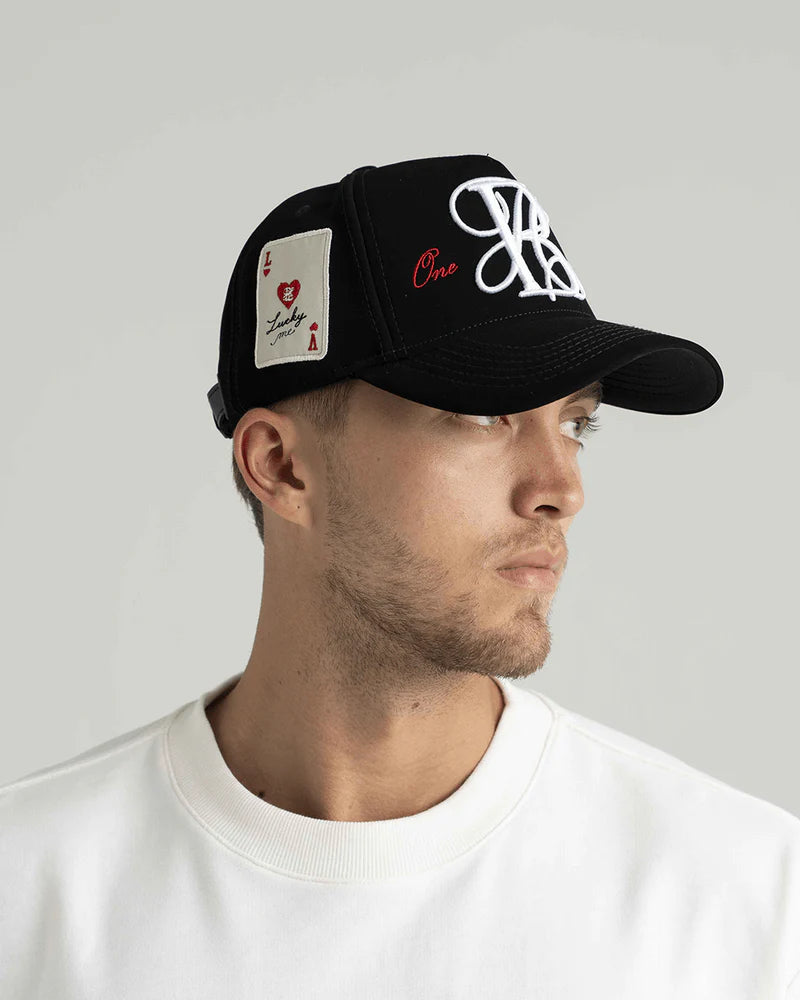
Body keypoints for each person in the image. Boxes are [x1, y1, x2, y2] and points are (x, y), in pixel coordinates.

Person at [2, 153, 798, 997]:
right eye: (483, 414)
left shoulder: (744, 901)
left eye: (576, 423)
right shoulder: (29, 892)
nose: (561, 489)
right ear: (281, 465)